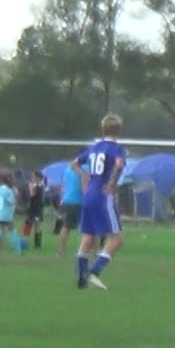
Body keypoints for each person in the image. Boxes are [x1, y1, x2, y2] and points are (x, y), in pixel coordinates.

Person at [71, 114, 127, 289]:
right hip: (103, 196)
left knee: (88, 235)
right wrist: (111, 182)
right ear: (119, 131)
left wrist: (85, 175)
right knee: (117, 239)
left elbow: (74, 163)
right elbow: (118, 165)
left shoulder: (94, 148)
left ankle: (81, 278)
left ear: (103, 129)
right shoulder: (117, 149)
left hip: (88, 195)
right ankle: (94, 271)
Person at [57, 158, 84, 257]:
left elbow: (64, 185)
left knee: (66, 227)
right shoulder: (84, 168)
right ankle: (83, 251)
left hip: (67, 200)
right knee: (85, 228)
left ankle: (61, 251)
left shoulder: (68, 169)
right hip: (79, 200)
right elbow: (83, 185)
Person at [24, 170, 47, 249]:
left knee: (36, 225)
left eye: (33, 177)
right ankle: (35, 243)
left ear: (38, 178)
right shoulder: (41, 186)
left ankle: (37, 244)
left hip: (36, 208)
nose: (32, 178)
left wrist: (31, 187)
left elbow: (32, 195)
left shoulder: (38, 186)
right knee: (33, 224)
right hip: (36, 208)